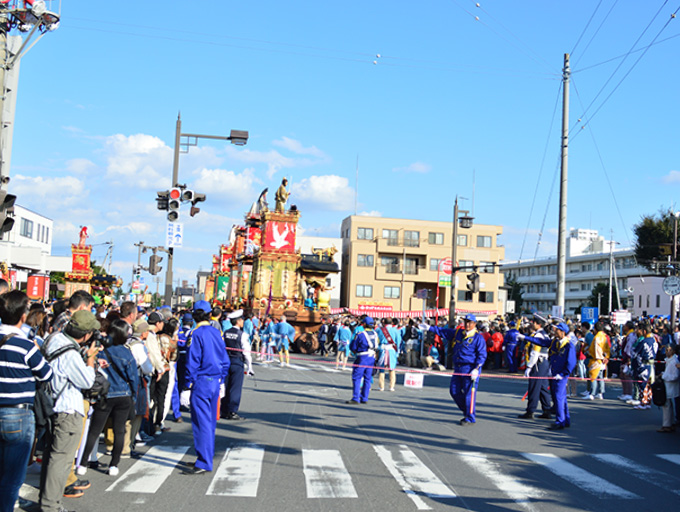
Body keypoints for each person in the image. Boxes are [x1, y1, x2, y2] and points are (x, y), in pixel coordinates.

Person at [39, 310, 100, 512]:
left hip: (52, 404)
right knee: (62, 460)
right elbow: (87, 381)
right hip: (68, 409)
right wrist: (90, 359)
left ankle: (46, 500)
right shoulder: (71, 355)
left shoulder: (54, 339)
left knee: (52, 456)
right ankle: (51, 506)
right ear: (86, 334)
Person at [0, 290, 53, 512]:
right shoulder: (25, 345)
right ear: (23, 315)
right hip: (18, 414)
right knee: (12, 475)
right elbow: (46, 374)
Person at [80, 319, 139, 477]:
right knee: (119, 431)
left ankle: (83, 463)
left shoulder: (101, 349)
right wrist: (133, 396)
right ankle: (114, 465)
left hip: (104, 393)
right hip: (124, 394)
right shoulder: (126, 352)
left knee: (95, 430)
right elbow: (133, 377)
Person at [180, 300, 230, 475]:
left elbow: (192, 362)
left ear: (194, 315)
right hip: (215, 381)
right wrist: (222, 380)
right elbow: (225, 359)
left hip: (201, 381)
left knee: (201, 423)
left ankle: (203, 461)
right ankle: (204, 458)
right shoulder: (217, 333)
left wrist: (187, 386)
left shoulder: (195, 334)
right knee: (209, 423)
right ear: (210, 314)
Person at [430, 314, 487, 425]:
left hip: (470, 368)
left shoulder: (478, 338)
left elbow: (482, 355)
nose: (467, 324)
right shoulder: (458, 333)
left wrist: (476, 368)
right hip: (458, 367)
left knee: (468, 394)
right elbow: (444, 332)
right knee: (454, 391)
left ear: (474, 324)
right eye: (466, 321)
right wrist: (429, 328)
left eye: (470, 322)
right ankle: (467, 411)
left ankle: (470, 417)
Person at [524, 322, 576, 430]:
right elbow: (541, 342)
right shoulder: (555, 342)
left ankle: (560, 421)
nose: (554, 331)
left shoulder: (568, 345)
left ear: (562, 332)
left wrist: (563, 374)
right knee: (562, 398)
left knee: (558, 397)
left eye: (556, 329)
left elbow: (571, 362)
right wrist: (525, 337)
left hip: (560, 375)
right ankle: (566, 419)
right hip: (555, 373)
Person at [517, 315, 553, 420]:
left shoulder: (538, 335)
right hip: (544, 363)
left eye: (534, 322)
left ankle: (530, 411)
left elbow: (535, 353)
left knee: (534, 387)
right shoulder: (544, 334)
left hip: (538, 363)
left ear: (538, 324)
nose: (532, 324)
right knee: (543, 387)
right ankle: (547, 410)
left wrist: (529, 367)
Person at [221, 310, 254, 421]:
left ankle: (223, 410)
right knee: (235, 388)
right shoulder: (242, 335)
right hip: (237, 361)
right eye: (242, 320)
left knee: (225, 386)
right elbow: (246, 352)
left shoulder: (225, 332)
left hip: (226, 361)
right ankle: (232, 411)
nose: (243, 322)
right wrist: (250, 366)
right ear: (239, 321)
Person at [346, 316, 379, 404]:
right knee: (368, 378)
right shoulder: (375, 334)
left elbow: (353, 347)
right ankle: (364, 398)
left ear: (364, 324)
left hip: (362, 357)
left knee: (357, 377)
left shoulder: (360, 334)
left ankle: (356, 398)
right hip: (372, 357)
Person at [585, 322, 610, 400]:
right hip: (603, 358)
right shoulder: (604, 336)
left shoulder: (597, 337)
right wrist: (606, 357)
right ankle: (600, 393)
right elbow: (607, 348)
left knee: (593, 376)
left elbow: (597, 349)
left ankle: (592, 393)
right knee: (600, 376)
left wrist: (600, 357)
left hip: (597, 359)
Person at [658, 344, 679, 433]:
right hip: (667, 386)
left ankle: (667, 425)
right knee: (667, 405)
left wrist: (664, 376)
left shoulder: (674, 361)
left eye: (669, 350)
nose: (667, 352)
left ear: (673, 351)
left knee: (667, 405)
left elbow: (675, 376)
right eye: (666, 350)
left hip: (671, 386)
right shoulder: (669, 360)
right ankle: (669, 423)